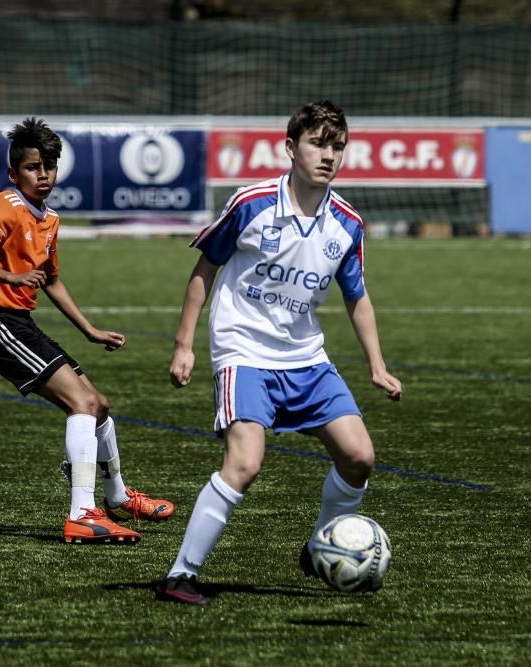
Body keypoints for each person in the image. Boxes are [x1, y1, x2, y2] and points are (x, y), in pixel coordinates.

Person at [154, 101, 402, 605]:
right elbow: (204, 271)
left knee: (359, 457)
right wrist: (184, 345)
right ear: (291, 148)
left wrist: (377, 365)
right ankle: (180, 575)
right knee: (244, 463)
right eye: (317, 143)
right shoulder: (252, 202)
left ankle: (320, 545)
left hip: (306, 357)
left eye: (336, 146)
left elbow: (357, 297)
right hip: (243, 351)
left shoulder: (347, 224)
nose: (327, 155)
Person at [0, 117, 175, 543]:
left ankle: (116, 497)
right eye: (33, 167)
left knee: (99, 405)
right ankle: (82, 513)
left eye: (49, 166)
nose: (43, 175)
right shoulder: (6, 206)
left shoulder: (50, 219)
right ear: (13, 173)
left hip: (21, 323)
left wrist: (90, 330)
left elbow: (52, 280)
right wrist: (12, 279)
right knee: (81, 402)